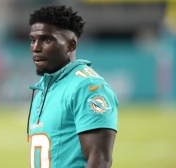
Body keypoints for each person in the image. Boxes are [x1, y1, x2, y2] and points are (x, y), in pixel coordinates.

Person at [26, 5, 118, 168]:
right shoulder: (44, 88)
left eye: (46, 39)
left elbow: (100, 161)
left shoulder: (88, 86)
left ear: (71, 45)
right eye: (33, 40)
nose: (36, 48)